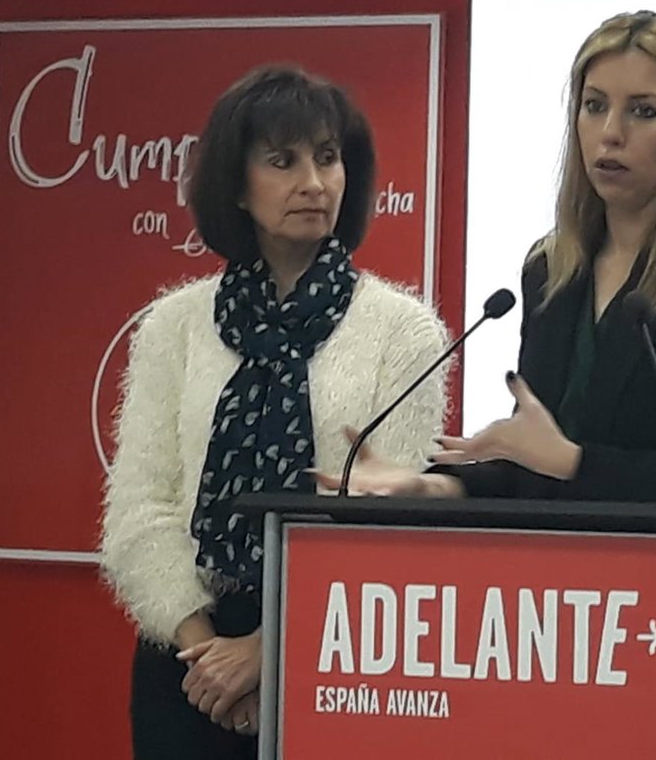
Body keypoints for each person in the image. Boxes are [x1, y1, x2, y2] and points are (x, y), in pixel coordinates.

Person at [322, 11, 656, 759]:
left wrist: (573, 463)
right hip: (565, 647)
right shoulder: (551, 272)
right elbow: (538, 466)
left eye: (642, 111)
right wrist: (438, 488)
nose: (609, 134)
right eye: (594, 106)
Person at [101, 66, 448, 759]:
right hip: (188, 658)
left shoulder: (402, 330)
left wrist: (268, 649)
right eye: (283, 161)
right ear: (236, 184)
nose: (314, 183)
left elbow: (391, 525)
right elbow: (139, 511)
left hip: (338, 651)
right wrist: (208, 654)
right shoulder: (174, 325)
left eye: (328, 158)